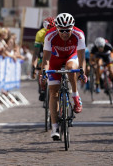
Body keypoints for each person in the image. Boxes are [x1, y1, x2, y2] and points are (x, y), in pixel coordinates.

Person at [39, 13, 87, 141]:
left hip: (71, 56)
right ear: (57, 28)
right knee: (53, 92)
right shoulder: (50, 36)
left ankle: (76, 96)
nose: (65, 33)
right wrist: (43, 72)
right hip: (55, 58)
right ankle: (55, 128)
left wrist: (83, 72)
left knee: (72, 68)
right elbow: (46, 59)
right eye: (62, 31)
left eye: (68, 30)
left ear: (72, 28)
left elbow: (82, 58)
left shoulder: (79, 34)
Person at [32, 17, 55, 101]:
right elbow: (36, 52)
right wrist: (33, 66)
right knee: (42, 66)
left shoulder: (58, 32)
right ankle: (42, 88)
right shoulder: (40, 34)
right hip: (44, 50)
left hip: (55, 50)